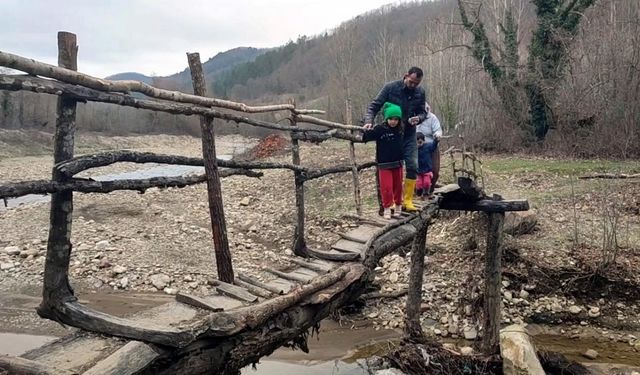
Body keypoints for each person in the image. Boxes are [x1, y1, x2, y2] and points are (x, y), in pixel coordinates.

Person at [364, 67, 428, 212]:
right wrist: (369, 120)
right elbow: (374, 106)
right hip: (390, 134)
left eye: (416, 83)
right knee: (390, 166)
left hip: (409, 133)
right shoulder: (390, 88)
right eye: (411, 82)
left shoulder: (420, 92)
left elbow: (423, 111)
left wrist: (419, 118)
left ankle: (408, 200)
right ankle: (391, 202)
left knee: (412, 164)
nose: (413, 86)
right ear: (405, 76)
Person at [362, 102, 404, 219]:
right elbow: (367, 136)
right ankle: (387, 207)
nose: (393, 121)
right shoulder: (380, 129)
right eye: (391, 119)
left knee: (398, 186)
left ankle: (398, 205)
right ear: (386, 118)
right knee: (386, 188)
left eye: (396, 119)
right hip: (384, 164)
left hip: (398, 163)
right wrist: (365, 129)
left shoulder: (400, 130)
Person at [416, 103, 442, 189]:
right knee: (416, 170)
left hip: (430, 146)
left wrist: (437, 136)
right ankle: (418, 189)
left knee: (434, 170)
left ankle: (430, 188)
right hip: (416, 148)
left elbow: (438, 130)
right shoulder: (414, 117)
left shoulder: (432, 118)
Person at [416, 132, 438, 199]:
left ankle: (426, 193)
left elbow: (433, 146)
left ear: (424, 141)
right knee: (418, 184)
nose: (418, 144)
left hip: (427, 170)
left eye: (420, 142)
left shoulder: (427, 146)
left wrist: (436, 140)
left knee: (426, 183)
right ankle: (419, 193)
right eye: (416, 143)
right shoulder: (414, 149)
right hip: (418, 171)